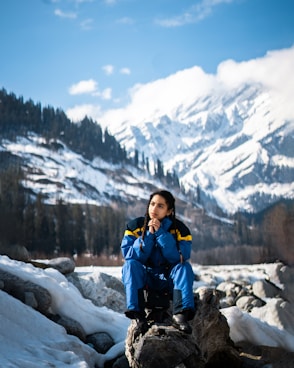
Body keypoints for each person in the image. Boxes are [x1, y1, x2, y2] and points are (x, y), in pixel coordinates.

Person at [121, 189, 195, 334]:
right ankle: (137, 316)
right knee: (130, 265)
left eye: (160, 206)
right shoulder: (135, 226)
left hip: (168, 280)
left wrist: (161, 233)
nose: (154, 209)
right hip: (146, 278)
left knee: (184, 267)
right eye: (152, 204)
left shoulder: (180, 230)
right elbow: (130, 255)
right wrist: (148, 235)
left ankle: (180, 315)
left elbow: (178, 257)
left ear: (169, 211)